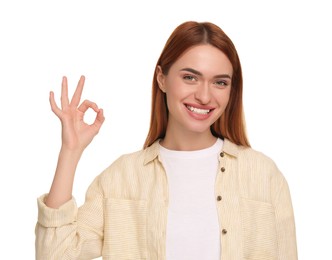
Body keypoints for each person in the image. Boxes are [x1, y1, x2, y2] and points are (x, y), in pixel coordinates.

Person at [35, 21, 298, 259]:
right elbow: (55, 255)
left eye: (220, 82)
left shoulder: (264, 175)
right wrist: (70, 151)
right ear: (162, 78)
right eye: (190, 77)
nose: (205, 96)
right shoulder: (121, 179)